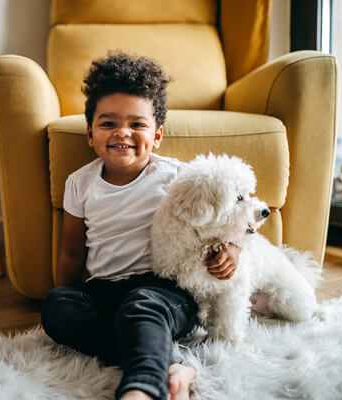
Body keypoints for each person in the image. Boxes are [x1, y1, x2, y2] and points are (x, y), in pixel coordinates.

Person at [41, 51, 241, 400]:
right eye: (108, 123)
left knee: (140, 307)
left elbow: (233, 219)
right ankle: (172, 364)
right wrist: (71, 299)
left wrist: (233, 249)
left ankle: (143, 388)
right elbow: (72, 254)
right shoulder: (79, 183)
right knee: (56, 306)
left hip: (164, 292)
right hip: (105, 290)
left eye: (137, 124)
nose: (122, 132)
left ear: (157, 135)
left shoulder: (177, 177)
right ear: (90, 134)